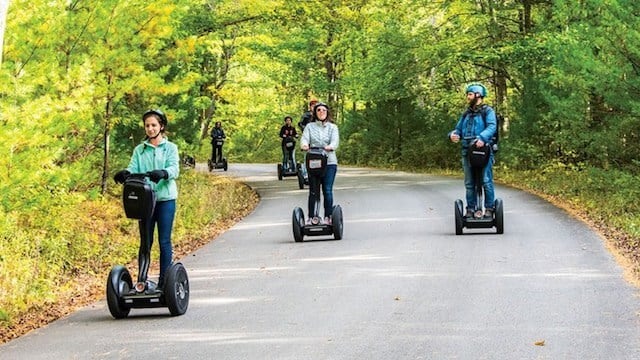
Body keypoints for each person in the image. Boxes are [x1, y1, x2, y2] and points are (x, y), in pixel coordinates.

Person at [114, 109, 180, 288]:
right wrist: (125, 174)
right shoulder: (139, 150)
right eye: (147, 126)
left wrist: (164, 172)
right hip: (145, 202)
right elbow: (132, 168)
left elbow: (175, 169)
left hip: (165, 199)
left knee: (164, 240)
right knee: (145, 241)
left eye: (154, 125)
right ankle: (141, 281)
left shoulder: (170, 148)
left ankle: (164, 282)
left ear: (161, 126)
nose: (150, 129)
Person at [448, 83, 498, 219]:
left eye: (469, 94)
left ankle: (489, 208)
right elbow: (458, 129)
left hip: (483, 150)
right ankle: (470, 209)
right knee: (469, 183)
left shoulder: (488, 111)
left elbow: (492, 126)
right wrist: (453, 134)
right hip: (467, 151)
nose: (467, 97)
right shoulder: (466, 113)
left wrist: (482, 138)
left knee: (486, 180)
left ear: (478, 95)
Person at [300, 102, 339, 225]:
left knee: (327, 190)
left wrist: (330, 146)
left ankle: (328, 216)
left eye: (324, 110)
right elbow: (304, 139)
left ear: (327, 112)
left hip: (329, 163)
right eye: (319, 110)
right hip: (314, 162)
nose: (321, 112)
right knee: (313, 191)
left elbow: (335, 142)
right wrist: (304, 145)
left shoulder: (333, 127)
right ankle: (312, 217)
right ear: (315, 112)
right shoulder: (309, 127)